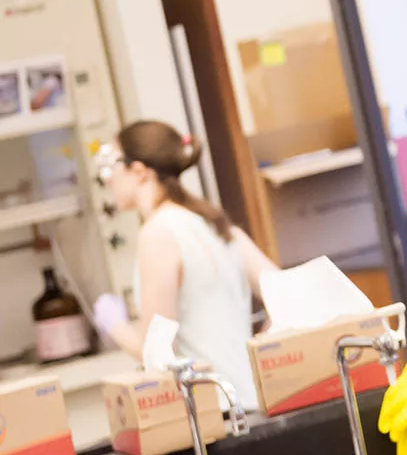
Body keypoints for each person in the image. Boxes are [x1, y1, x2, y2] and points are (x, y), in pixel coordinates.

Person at [92, 120, 278, 410]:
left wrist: (113, 325)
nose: (107, 179)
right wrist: (255, 355)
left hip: (216, 414)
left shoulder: (158, 233)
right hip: (253, 401)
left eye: (113, 164)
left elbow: (156, 353)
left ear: (140, 171)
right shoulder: (216, 225)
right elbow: (288, 297)